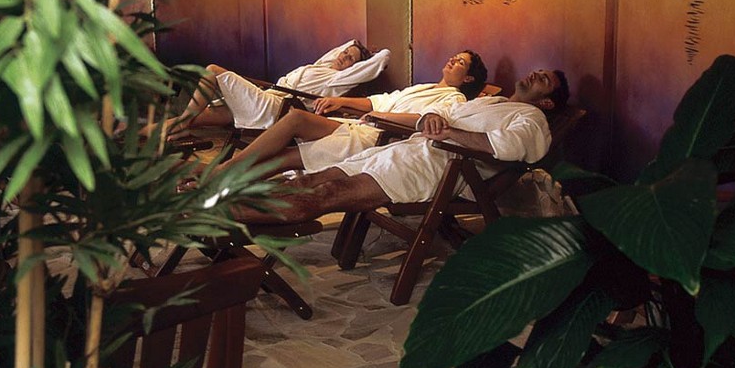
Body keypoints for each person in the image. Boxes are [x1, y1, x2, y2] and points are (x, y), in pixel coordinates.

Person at [232, 68, 569, 224]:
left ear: (548, 103)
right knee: (304, 181)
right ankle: (216, 202)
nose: (533, 75)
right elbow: (435, 114)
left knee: (323, 196)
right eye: (536, 71)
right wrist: (428, 120)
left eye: (543, 80)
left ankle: (217, 217)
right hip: (401, 152)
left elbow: (508, 147)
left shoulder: (531, 120)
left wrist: (448, 132)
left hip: (434, 169)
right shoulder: (484, 104)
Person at [219, 50, 490, 178]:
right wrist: (339, 101)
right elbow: (381, 100)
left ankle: (224, 182)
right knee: (294, 120)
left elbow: (425, 122)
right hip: (363, 126)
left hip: (381, 139)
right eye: (454, 56)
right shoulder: (425, 86)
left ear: (468, 79)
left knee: (284, 158)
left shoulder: (454, 98)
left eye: (461, 62)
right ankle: (226, 175)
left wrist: (381, 119)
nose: (453, 59)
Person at [164, 40, 386, 136]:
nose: (343, 57)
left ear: (355, 69)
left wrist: (368, 55)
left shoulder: (337, 80)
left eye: (350, 59)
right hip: (267, 96)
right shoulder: (322, 66)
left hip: (275, 109)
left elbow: (383, 58)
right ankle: (137, 136)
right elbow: (341, 50)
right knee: (198, 117)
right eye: (344, 52)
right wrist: (355, 47)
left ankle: (183, 120)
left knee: (212, 70)